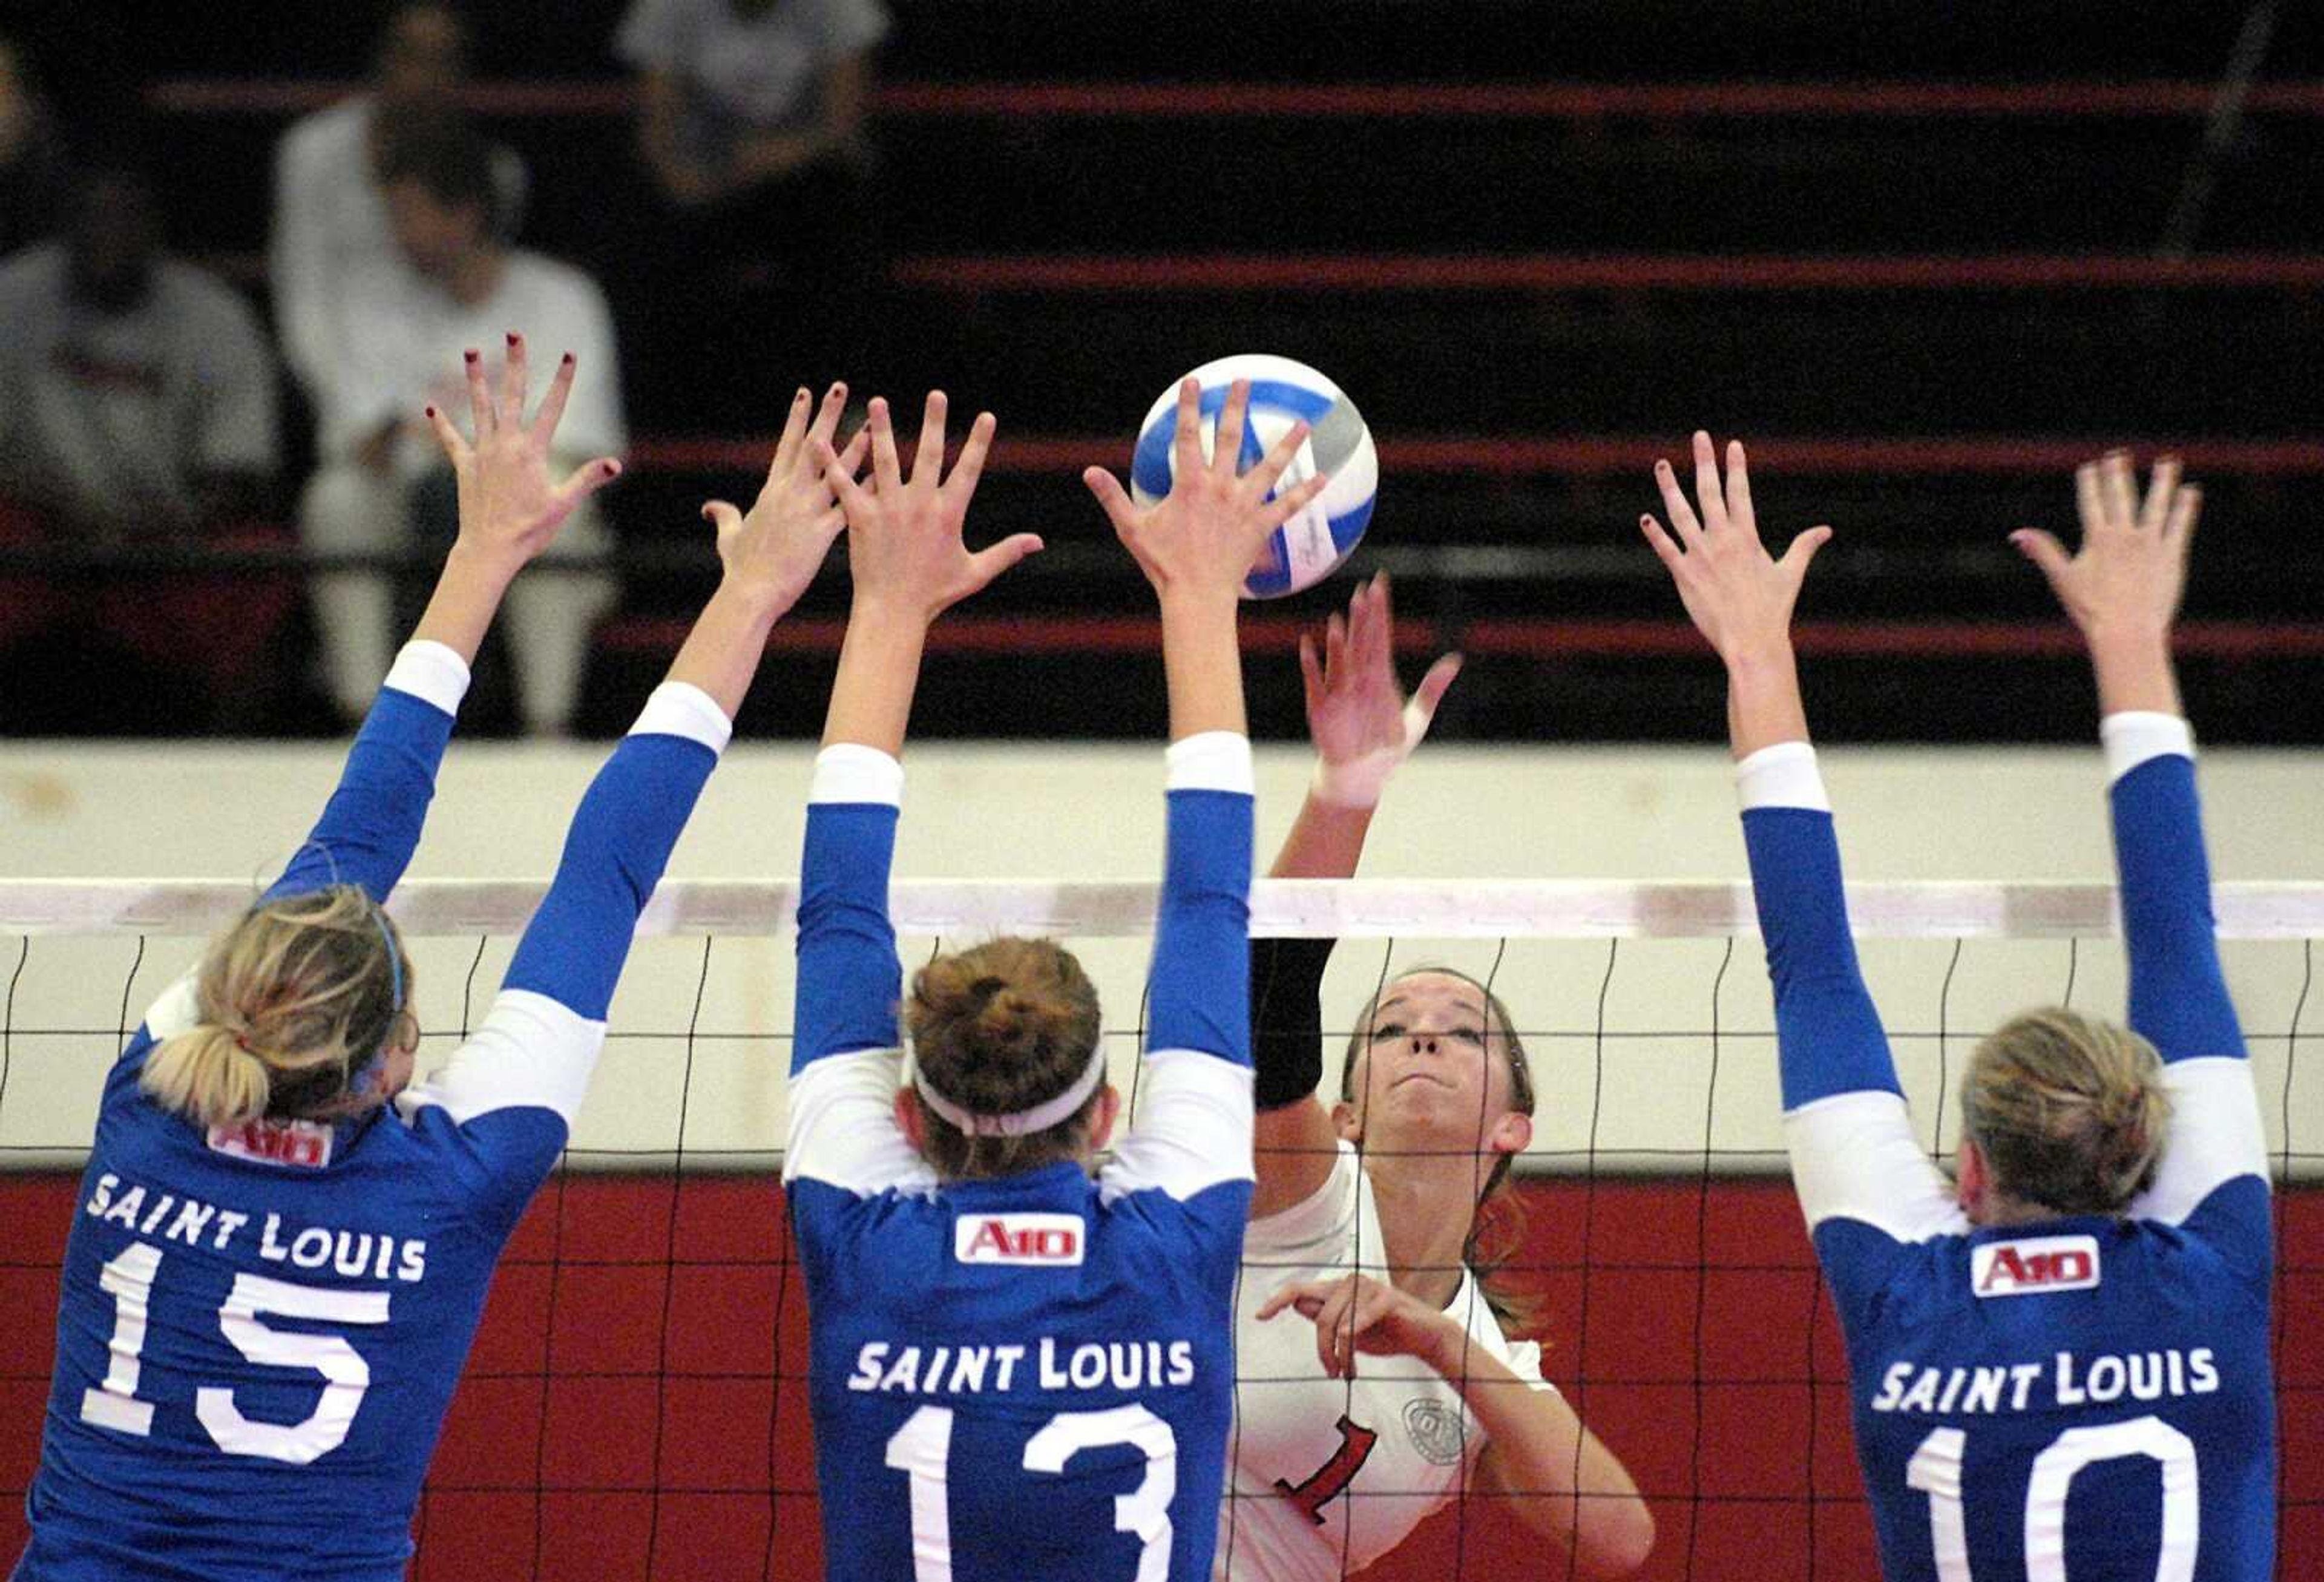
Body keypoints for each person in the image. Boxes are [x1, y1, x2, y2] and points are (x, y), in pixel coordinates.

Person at [11, 345, 862, 1580]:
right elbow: (607, 870)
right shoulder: (443, 1176)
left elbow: (374, 836)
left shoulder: (154, 1097)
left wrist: (478, 556)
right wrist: (751, 597)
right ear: (397, 1058)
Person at [1640, 436, 2272, 1580]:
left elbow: (1811, 972)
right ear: (2140, 1145)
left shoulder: (1909, 1295)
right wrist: (2133, 640)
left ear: (1968, 1170)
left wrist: (1755, 653)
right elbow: (2179, 936)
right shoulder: (2209, 1269)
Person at [783, 379, 1326, 1579]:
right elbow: (1209, 906)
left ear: (911, 1118)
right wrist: (1199, 598)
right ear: (1106, 1114)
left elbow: (835, 919)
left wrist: (883, 607)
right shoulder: (1177, 1238)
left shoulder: (864, 1238)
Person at [1224, 575, 1655, 1579]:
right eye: (1390, 1028)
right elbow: (1269, 988)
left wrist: (1435, 1338)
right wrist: (1348, 787)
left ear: (1512, 1124)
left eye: (1463, 1029)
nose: (1424, 1036)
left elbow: (1621, 1538)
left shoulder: (1482, 1359)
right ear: (1346, 1112)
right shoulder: (1300, 1197)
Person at [299, 116, 622, 737]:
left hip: (522, 496)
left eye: (410, 215)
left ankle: (546, 726)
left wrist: (468, 459)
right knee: (336, 499)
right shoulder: (373, 299)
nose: (397, 235)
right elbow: (360, 436)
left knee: (564, 505)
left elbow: (583, 444)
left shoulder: (562, 298)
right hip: (408, 486)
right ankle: (359, 719)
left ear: (466, 214)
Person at [0, 163, 290, 730]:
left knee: (257, 556)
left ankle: (238, 752)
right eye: (92, 220)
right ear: (65, 228)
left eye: (123, 220)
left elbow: (240, 473)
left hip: (169, 537)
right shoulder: (12, 296)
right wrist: (62, 512)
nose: (107, 236)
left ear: (153, 230)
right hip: (43, 527)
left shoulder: (214, 316)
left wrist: (165, 525)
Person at [612, 0, 888, 419]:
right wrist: (686, 183)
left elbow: (843, 126)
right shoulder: (667, 7)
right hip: (702, 183)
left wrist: (769, 159)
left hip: (810, 184)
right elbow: (656, 130)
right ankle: (664, 413)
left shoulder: (839, 7)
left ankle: (846, 405)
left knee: (845, 233)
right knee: (644, 244)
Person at [270, 1, 527, 406]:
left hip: (457, 397)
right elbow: (304, 303)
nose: (426, 78)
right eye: (413, 57)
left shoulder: (498, 174)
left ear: (463, 72)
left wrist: (453, 414)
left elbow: (482, 302)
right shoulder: (313, 152)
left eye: (444, 61)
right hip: (346, 397)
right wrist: (359, 418)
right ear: (383, 59)